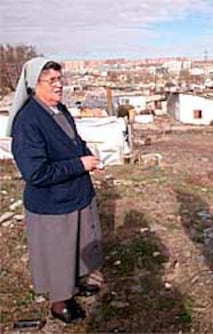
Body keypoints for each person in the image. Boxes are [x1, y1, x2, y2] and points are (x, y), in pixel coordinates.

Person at [9, 57, 103, 324]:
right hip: (52, 203)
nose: (59, 85)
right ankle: (59, 303)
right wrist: (79, 164)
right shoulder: (27, 122)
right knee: (58, 253)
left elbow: (75, 141)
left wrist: (88, 157)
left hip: (75, 194)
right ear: (33, 85)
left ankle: (75, 284)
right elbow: (36, 173)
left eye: (60, 79)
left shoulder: (59, 109)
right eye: (51, 80)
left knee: (77, 246)